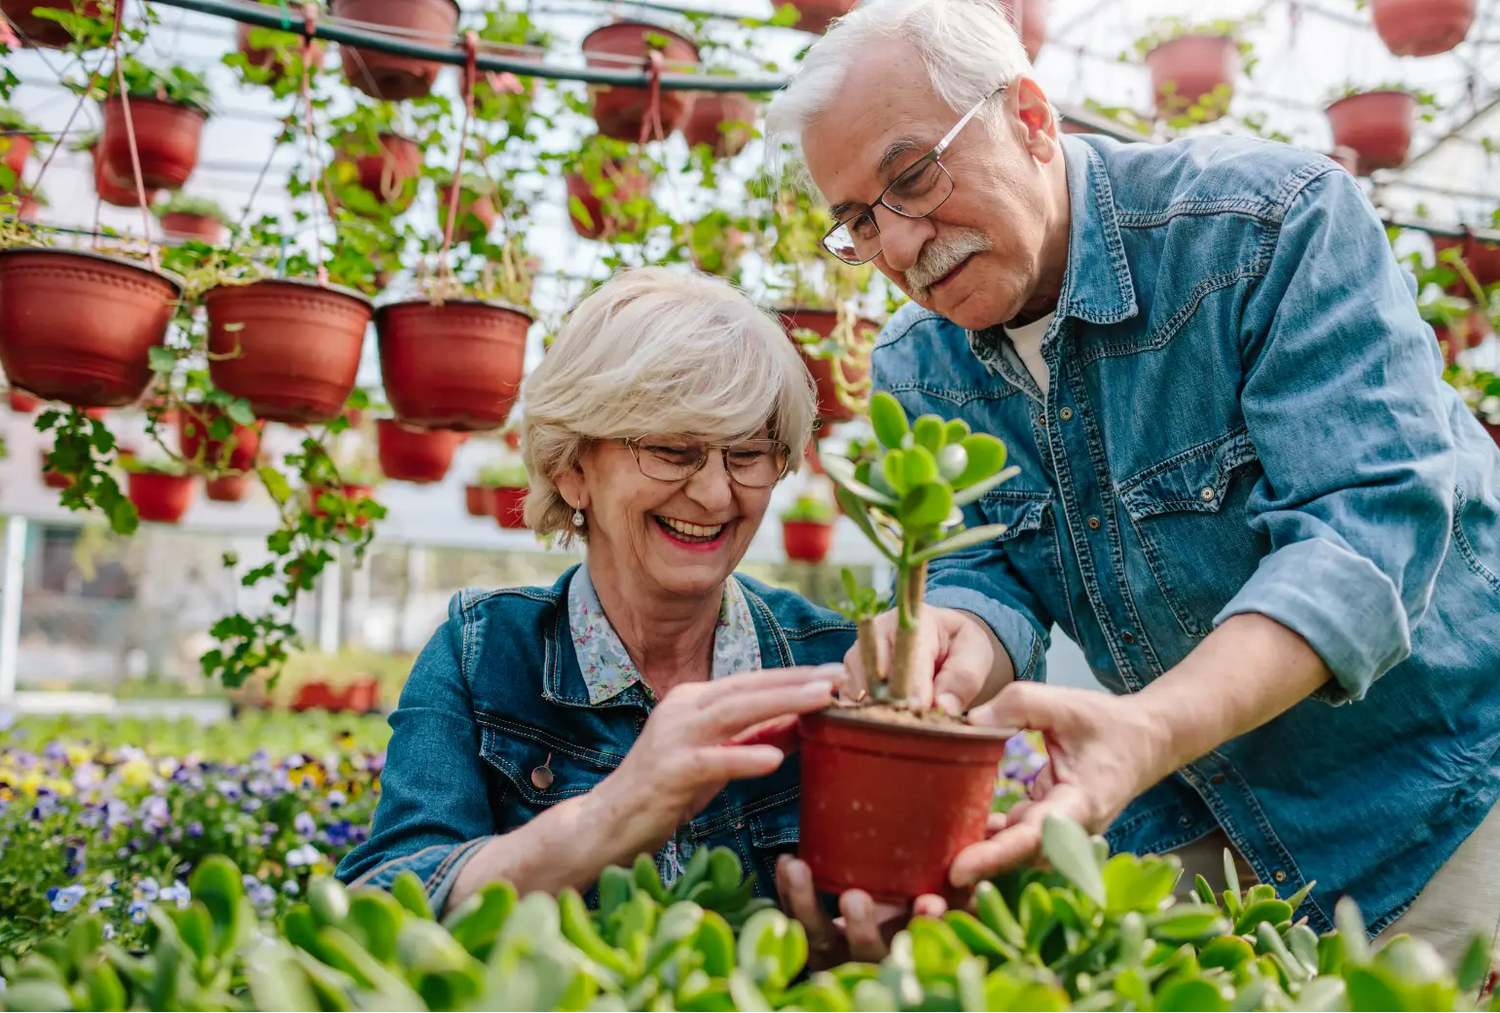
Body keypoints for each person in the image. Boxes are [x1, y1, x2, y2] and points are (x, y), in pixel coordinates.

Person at [763, 0, 1500, 962]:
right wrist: (962, 635)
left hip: (1431, 789)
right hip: (1189, 810)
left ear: (1031, 116)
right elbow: (994, 574)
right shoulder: (918, 362)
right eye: (858, 221)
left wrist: (1147, 729)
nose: (897, 248)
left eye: (911, 176)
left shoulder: (1265, 226)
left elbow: (1363, 537)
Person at [337, 267, 857, 916]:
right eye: (674, 449)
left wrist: (854, 948)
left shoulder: (833, 662)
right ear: (573, 469)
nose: (716, 493)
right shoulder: (483, 655)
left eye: (748, 454)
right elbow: (383, 898)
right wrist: (612, 813)